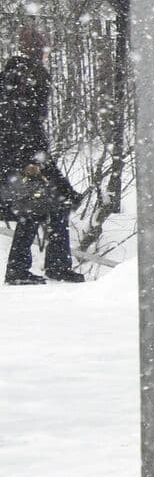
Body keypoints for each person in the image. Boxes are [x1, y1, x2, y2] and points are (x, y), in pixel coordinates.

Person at [0, 24, 84, 285]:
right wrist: (30, 160)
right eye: (45, 48)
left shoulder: (10, 74)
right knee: (45, 204)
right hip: (25, 153)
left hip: (18, 151)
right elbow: (24, 120)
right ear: (38, 50)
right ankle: (36, 268)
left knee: (49, 204)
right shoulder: (32, 74)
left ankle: (44, 266)